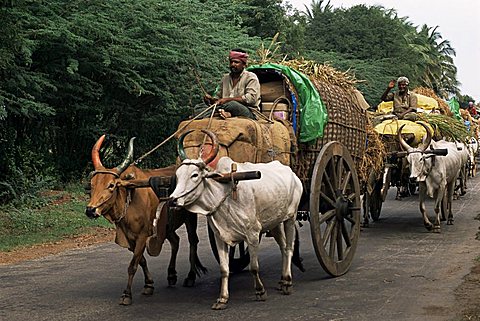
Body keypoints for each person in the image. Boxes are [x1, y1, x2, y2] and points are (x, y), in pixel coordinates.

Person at [196, 49, 260, 120]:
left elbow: (251, 99)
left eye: (236, 62)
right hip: (225, 107)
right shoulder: (225, 78)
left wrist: (227, 100)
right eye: (231, 62)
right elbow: (218, 99)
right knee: (199, 107)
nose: (233, 64)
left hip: (247, 112)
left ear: (244, 64)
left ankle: (222, 113)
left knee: (232, 104)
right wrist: (211, 100)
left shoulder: (251, 77)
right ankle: (221, 113)